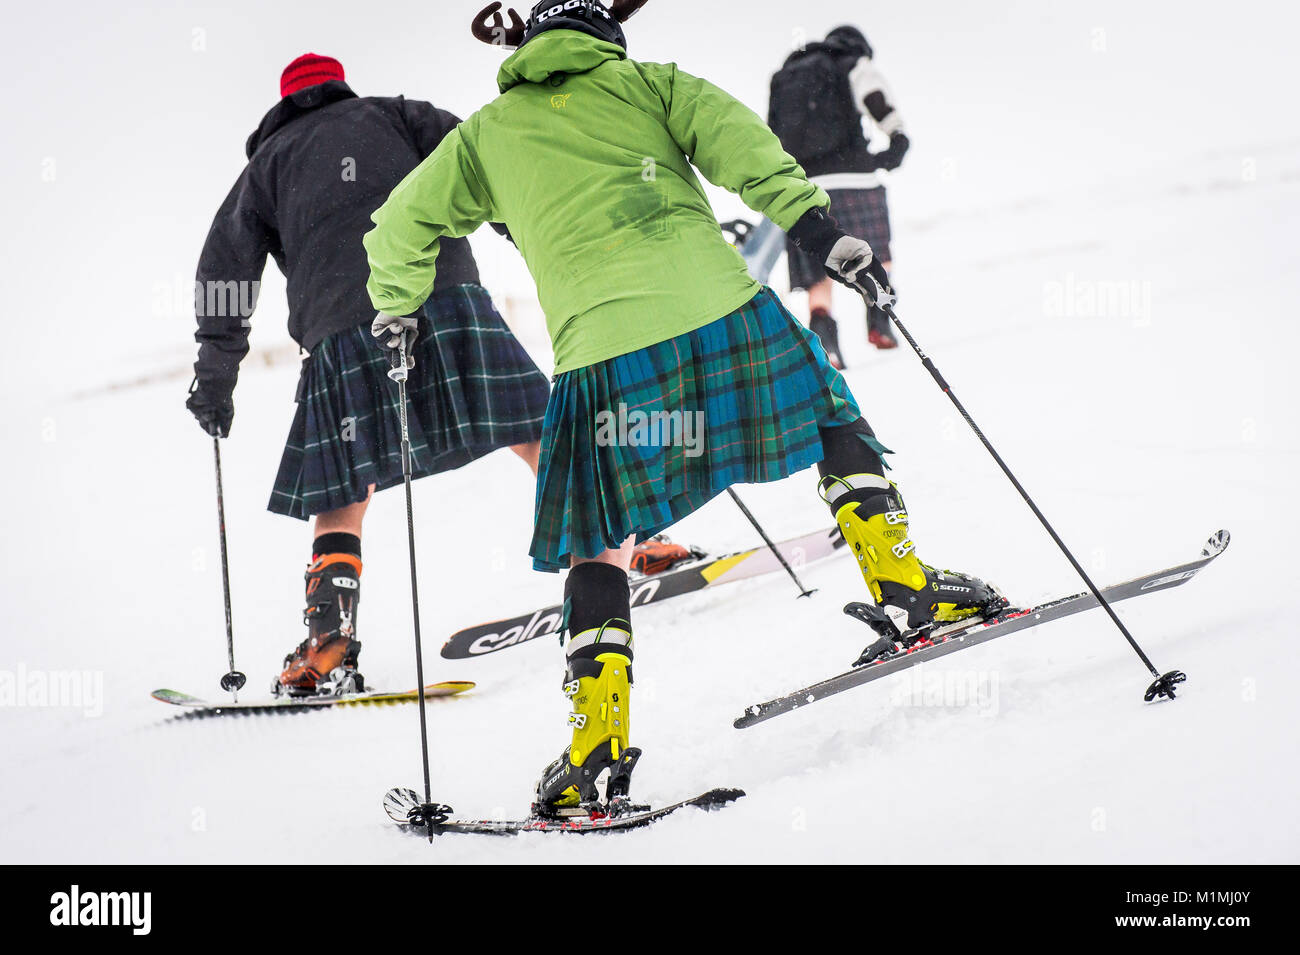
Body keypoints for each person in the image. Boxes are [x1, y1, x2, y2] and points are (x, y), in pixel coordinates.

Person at [364, 1, 999, 812]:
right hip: (721, 313)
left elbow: (397, 230)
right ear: (605, 35)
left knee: (598, 540)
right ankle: (906, 588)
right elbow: (746, 148)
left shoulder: (483, 137)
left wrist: (397, 307)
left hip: (600, 355)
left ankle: (595, 747)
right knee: (832, 419)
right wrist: (817, 229)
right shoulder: (652, 83)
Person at [186, 53, 551, 696]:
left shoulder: (263, 170)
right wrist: (530, 234)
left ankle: (327, 644)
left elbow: (226, 272)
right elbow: (485, 166)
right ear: (338, 87)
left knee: (341, 490)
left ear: (283, 105)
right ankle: (616, 550)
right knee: (536, 426)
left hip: (339, 327)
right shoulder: (399, 116)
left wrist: (216, 372)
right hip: (444, 295)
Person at [769, 25, 910, 365]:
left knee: (818, 263)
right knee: (876, 250)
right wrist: (897, 136)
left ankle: (826, 343)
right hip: (856, 177)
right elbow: (874, 95)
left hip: (808, 185)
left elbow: (771, 134)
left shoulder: (785, 77)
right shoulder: (851, 63)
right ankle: (880, 321)